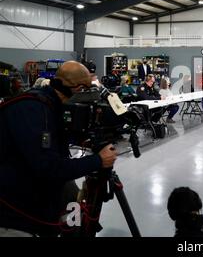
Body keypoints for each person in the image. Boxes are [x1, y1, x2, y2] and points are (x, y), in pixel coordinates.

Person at [0, 61, 117, 237]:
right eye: (86, 89)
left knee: (72, 198)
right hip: (16, 210)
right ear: (76, 88)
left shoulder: (49, 104)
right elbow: (49, 168)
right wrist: (98, 160)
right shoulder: (34, 110)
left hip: (40, 189)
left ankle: (74, 230)